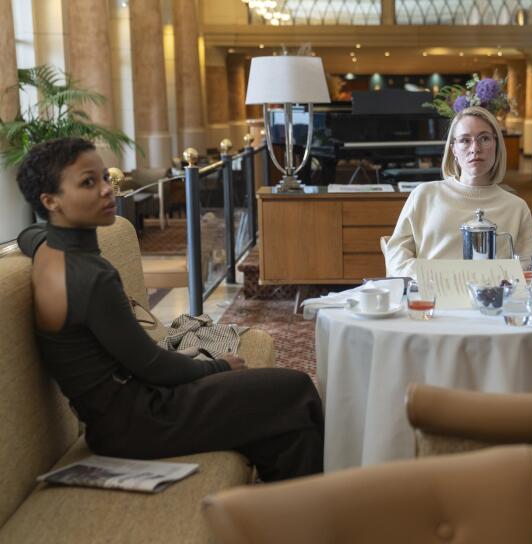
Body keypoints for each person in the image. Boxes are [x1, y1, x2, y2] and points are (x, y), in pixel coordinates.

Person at [16, 137, 324, 482]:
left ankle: (295, 515)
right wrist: (219, 367)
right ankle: (319, 512)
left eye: (104, 177)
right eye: (88, 183)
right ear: (50, 201)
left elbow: (30, 232)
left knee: (287, 432)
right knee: (295, 389)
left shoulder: (45, 248)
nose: (106, 190)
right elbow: (152, 365)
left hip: (120, 418)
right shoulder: (89, 277)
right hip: (142, 421)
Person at [385, 105, 532, 277]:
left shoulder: (516, 207)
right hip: (430, 298)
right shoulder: (424, 195)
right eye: (465, 140)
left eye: (484, 138)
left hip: (490, 300)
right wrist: (436, 277)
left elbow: (527, 269)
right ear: (453, 150)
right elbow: (396, 256)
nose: (475, 148)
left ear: (496, 145)